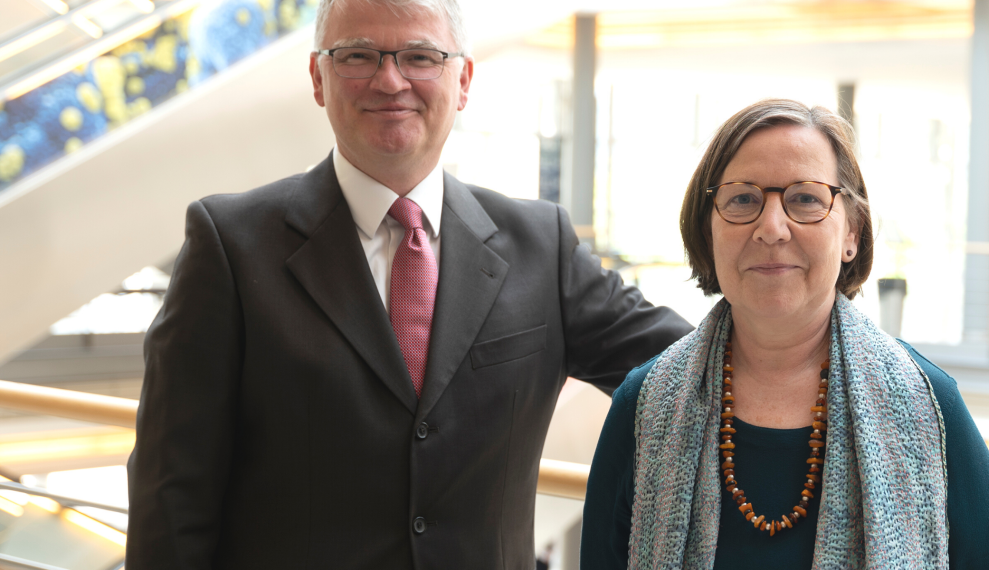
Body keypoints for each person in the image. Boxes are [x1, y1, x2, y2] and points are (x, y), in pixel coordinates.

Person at [125, 0, 692, 567]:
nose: (390, 80)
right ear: (318, 78)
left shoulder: (543, 246)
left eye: (421, 56)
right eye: (358, 56)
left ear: (463, 80)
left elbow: (695, 365)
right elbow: (171, 499)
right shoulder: (230, 245)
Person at [580, 99, 989, 569]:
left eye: (806, 199)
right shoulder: (643, 405)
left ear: (852, 232)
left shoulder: (928, 406)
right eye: (742, 199)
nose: (772, 228)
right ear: (708, 232)